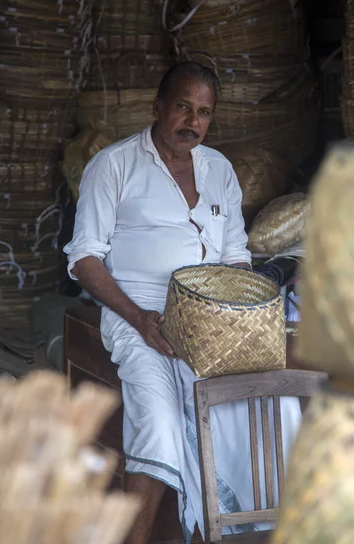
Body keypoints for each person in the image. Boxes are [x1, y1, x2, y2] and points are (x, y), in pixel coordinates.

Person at [64, 62, 301, 544]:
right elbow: (83, 259)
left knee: (270, 407)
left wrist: (238, 317)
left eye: (204, 112)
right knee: (161, 421)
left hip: (212, 316)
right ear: (158, 108)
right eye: (183, 107)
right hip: (137, 311)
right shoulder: (113, 165)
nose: (192, 121)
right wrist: (139, 318)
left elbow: (236, 259)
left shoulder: (220, 171)